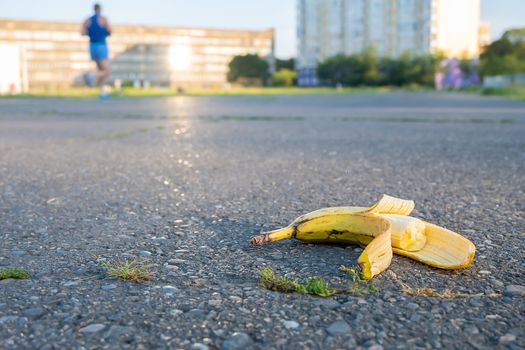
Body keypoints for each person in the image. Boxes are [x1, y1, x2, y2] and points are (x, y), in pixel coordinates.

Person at [82, 3, 112, 99]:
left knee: (101, 70)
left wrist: (91, 33)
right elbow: (110, 31)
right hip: (101, 45)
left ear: (93, 9)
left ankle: (103, 93)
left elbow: (82, 32)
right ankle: (91, 75)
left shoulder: (88, 20)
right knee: (107, 71)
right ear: (100, 9)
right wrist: (103, 32)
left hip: (92, 46)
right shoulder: (103, 19)